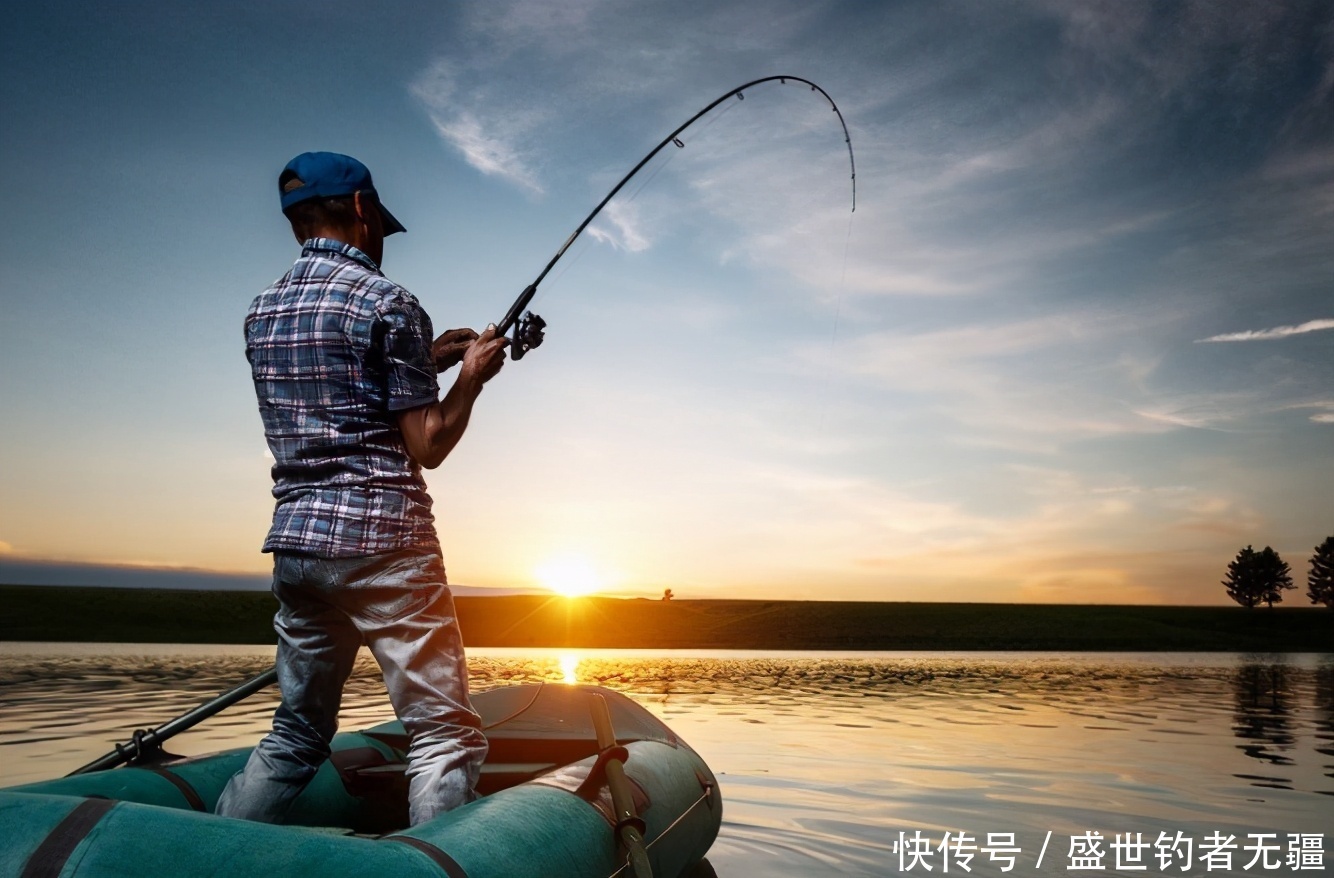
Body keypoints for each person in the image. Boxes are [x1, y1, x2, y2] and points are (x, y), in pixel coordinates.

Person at [216, 151, 508, 826]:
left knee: (295, 736)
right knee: (443, 732)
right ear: (359, 210)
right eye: (377, 219)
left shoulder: (261, 313)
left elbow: (332, 388)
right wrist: (469, 378)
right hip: (385, 545)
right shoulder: (389, 301)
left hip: (298, 547)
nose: (379, 233)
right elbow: (427, 444)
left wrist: (421, 358)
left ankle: (210, 856)